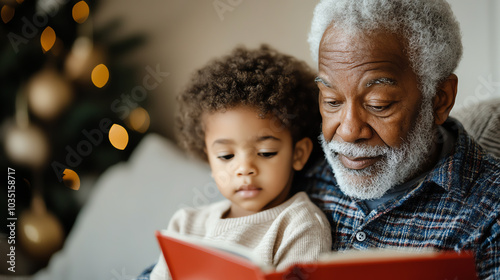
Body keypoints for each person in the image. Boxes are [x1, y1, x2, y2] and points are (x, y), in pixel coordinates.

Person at [305, 0, 500, 279]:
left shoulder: (490, 217)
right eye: (332, 101)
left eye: (378, 104)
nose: (348, 131)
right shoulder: (305, 173)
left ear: (439, 99)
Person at [145, 45, 332, 280]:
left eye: (265, 152)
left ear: (298, 154)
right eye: (226, 156)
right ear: (208, 158)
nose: (244, 169)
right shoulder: (185, 226)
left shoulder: (300, 225)